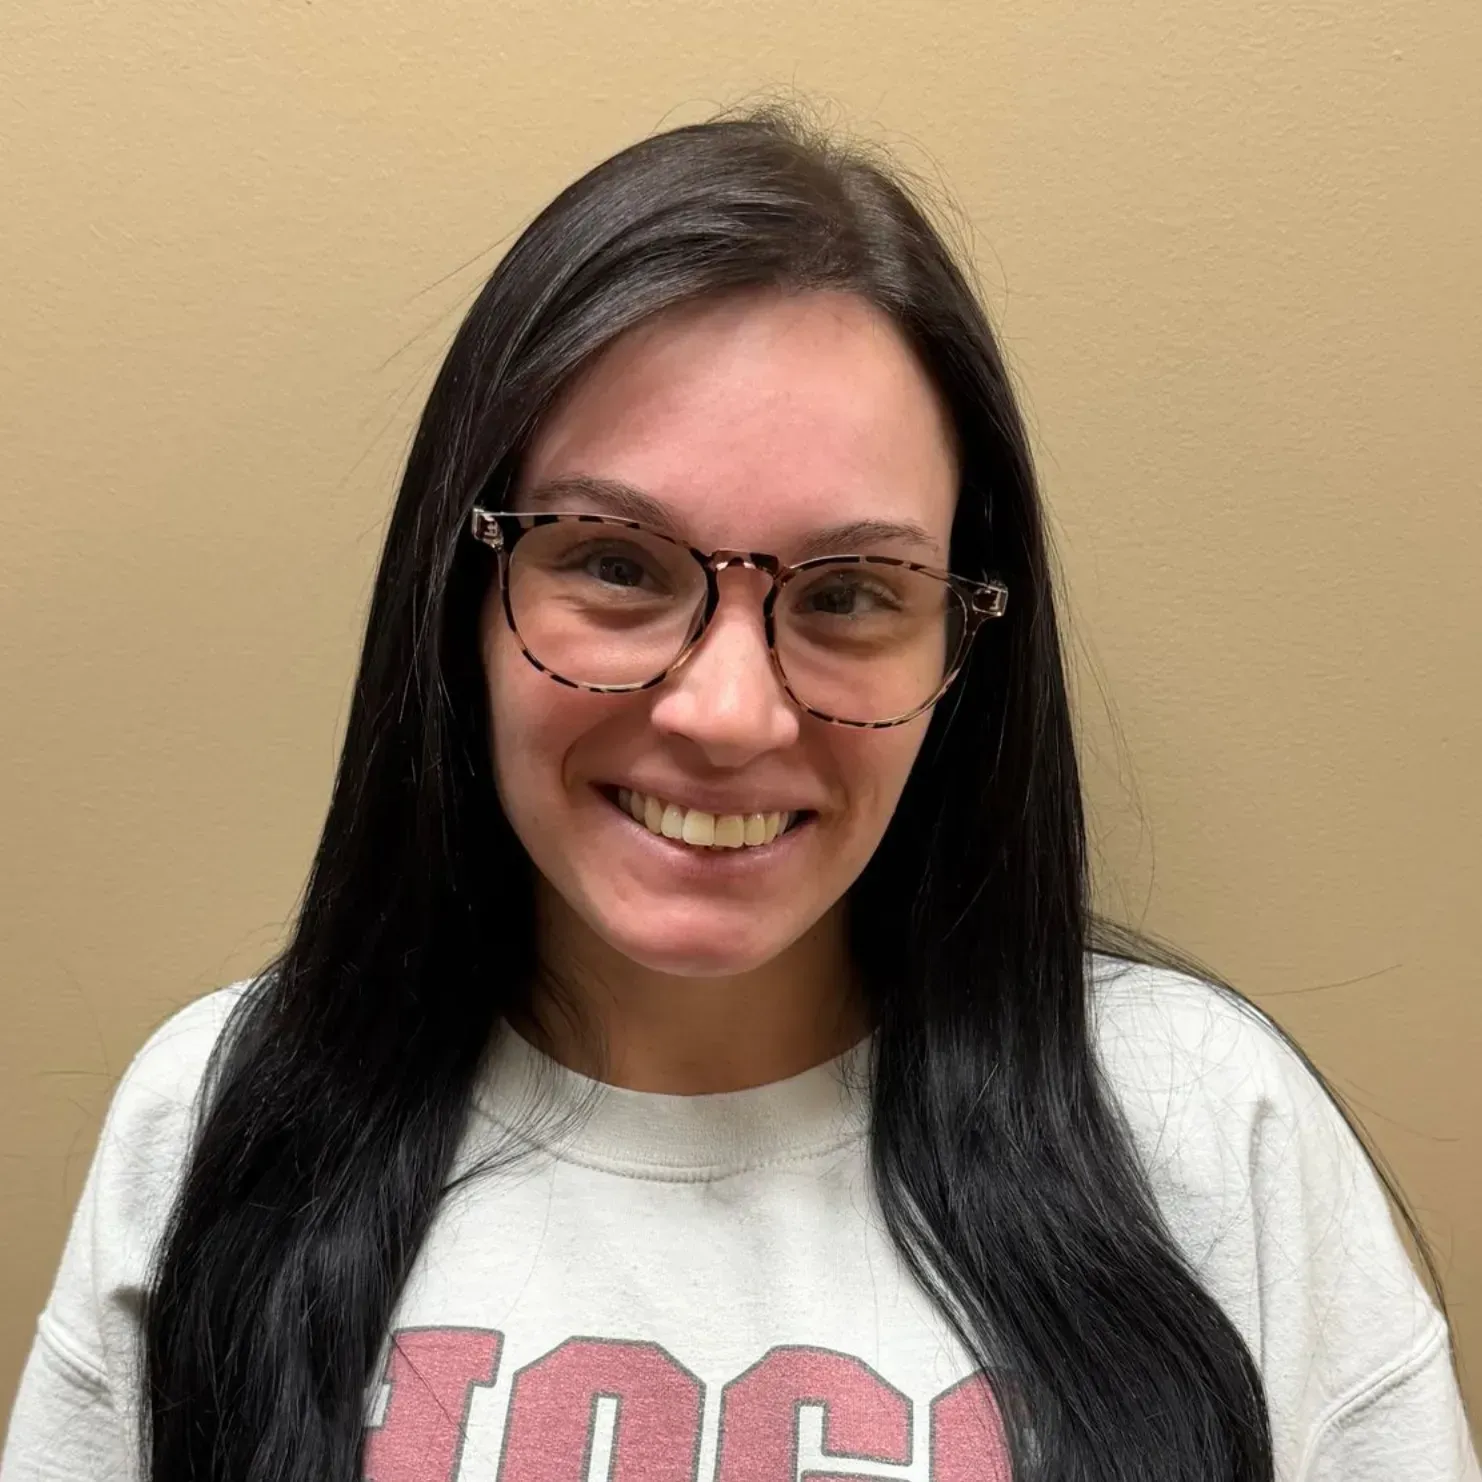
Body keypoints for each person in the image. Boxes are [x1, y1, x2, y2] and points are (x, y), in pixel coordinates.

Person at [2, 107, 1476, 1482]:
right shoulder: (219, 1112)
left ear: (961, 644)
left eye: (846, 591)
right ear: (462, 595)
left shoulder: (1205, 1129)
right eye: (616, 565)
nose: (724, 710)